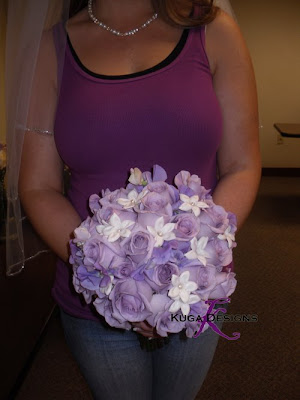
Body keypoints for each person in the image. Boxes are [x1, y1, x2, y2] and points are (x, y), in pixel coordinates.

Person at [17, 0, 261, 398]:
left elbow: (242, 164)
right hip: (94, 298)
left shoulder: (213, 31)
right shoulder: (49, 50)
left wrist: (188, 270)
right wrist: (117, 282)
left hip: (192, 291)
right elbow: (38, 187)